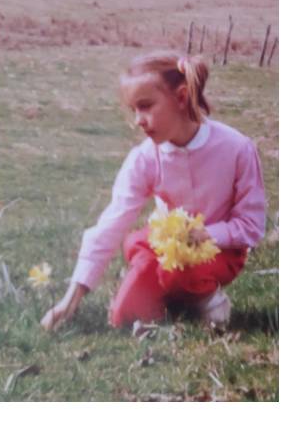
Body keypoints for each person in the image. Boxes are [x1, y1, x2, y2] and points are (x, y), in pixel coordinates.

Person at [41, 51, 266, 332]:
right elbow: (111, 225)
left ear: (181, 97)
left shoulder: (237, 148)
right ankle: (175, 296)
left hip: (219, 251)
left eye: (146, 106)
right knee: (124, 316)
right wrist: (69, 301)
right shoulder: (145, 158)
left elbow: (252, 226)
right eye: (134, 109)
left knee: (183, 274)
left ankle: (208, 299)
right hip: (167, 249)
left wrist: (207, 234)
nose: (138, 120)